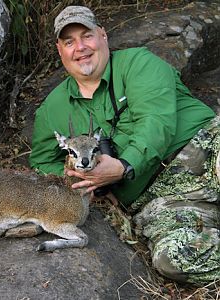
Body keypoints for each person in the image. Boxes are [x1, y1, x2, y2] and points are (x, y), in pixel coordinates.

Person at [29, 6, 220, 284]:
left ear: (103, 36)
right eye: (69, 42)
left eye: (86, 36)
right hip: (160, 201)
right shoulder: (52, 109)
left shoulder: (138, 63)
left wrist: (123, 165)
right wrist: (81, 182)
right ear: (60, 50)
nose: (80, 48)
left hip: (203, 149)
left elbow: (156, 121)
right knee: (173, 258)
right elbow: (41, 162)